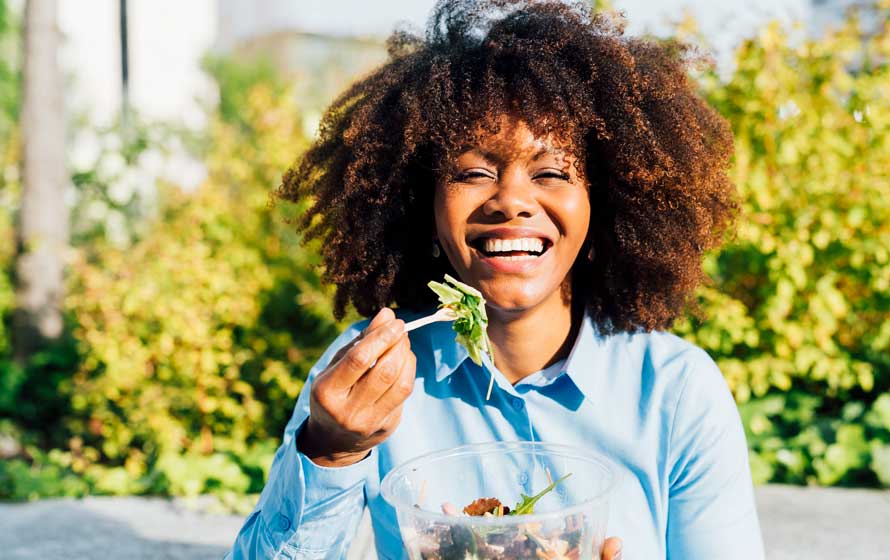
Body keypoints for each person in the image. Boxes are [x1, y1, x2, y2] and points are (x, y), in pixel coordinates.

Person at [227, 0, 764, 558]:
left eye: (552, 172)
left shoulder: (676, 393)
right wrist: (331, 453)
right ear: (422, 206)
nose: (510, 201)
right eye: (473, 172)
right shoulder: (370, 375)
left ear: (601, 207)